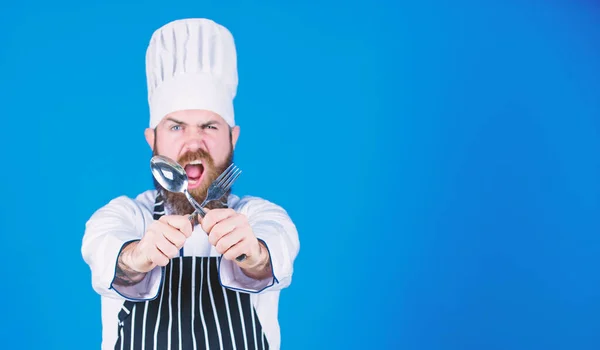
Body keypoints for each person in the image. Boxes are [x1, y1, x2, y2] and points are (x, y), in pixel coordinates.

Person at [81, 18, 300, 350]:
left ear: (233, 138)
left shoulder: (257, 215)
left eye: (210, 126)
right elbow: (103, 248)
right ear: (151, 140)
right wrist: (138, 255)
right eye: (176, 127)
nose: (194, 143)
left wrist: (253, 254)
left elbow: (277, 245)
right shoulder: (127, 216)